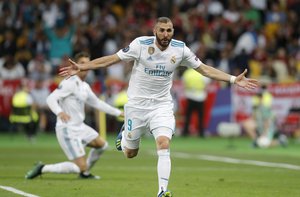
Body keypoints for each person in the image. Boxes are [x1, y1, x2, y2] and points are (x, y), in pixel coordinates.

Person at [59, 17, 259, 197]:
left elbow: (204, 69)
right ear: (155, 30)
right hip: (137, 106)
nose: (166, 34)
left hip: (161, 106)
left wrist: (233, 79)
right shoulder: (140, 45)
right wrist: (84, 66)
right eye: (162, 30)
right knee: (130, 153)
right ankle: (124, 136)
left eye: (169, 30)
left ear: (173, 31)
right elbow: (112, 59)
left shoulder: (180, 49)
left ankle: (162, 191)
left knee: (163, 143)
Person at [25, 52, 123, 180]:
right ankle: (43, 168)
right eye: (82, 63)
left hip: (80, 127)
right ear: (76, 64)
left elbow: (97, 103)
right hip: (67, 129)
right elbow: (51, 98)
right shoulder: (70, 82)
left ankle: (85, 172)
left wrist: (119, 113)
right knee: (78, 167)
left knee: (102, 145)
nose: (85, 66)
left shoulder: (84, 86)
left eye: (87, 63)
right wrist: (59, 112)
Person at [181, 68, 211, 137]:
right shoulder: (202, 72)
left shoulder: (188, 72)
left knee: (188, 116)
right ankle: (201, 133)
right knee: (200, 117)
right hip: (200, 97)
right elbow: (207, 82)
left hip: (190, 96)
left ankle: (185, 132)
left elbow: (183, 82)